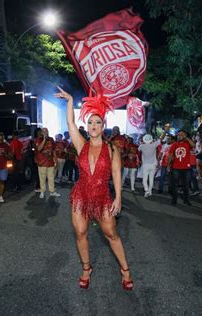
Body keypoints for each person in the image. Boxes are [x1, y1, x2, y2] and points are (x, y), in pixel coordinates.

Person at [55, 86, 133, 291]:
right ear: (87, 126)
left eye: (97, 122)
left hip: (102, 197)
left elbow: (116, 173)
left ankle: (125, 270)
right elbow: (71, 122)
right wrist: (71, 99)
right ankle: (86, 268)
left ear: (103, 125)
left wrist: (118, 198)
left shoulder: (111, 147)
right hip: (81, 195)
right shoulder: (81, 144)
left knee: (111, 234)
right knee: (80, 232)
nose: (93, 125)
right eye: (90, 122)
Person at [168, 130, 195, 206]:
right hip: (175, 168)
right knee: (175, 185)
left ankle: (186, 200)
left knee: (186, 185)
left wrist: (187, 138)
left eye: (181, 135)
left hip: (186, 168)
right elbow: (170, 155)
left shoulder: (187, 143)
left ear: (185, 136)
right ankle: (174, 200)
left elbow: (193, 145)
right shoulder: (174, 144)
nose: (179, 136)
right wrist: (168, 166)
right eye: (178, 135)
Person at [36, 128, 60, 199]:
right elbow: (39, 149)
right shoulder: (38, 139)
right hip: (42, 162)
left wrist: (56, 159)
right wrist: (44, 139)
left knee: (51, 177)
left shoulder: (51, 139)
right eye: (44, 131)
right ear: (41, 133)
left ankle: (52, 192)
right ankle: (42, 191)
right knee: (42, 178)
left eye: (46, 131)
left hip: (50, 162)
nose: (45, 132)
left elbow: (53, 150)